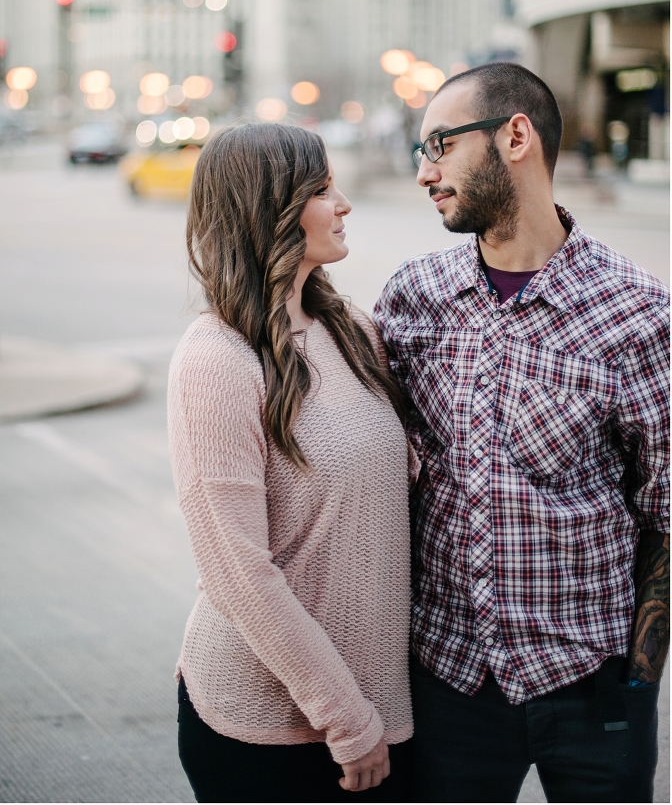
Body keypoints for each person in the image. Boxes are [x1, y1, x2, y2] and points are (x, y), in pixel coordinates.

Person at [374, 62, 669, 804]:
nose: (424, 173)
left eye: (438, 144)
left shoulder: (638, 317)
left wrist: (638, 678)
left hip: (592, 682)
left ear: (514, 136)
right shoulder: (415, 299)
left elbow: (668, 507)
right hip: (449, 680)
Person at [168, 123, 416, 803]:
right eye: (323, 188)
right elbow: (237, 570)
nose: (344, 204)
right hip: (269, 725)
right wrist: (346, 718)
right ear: (270, 207)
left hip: (382, 708)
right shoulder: (217, 358)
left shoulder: (352, 331)